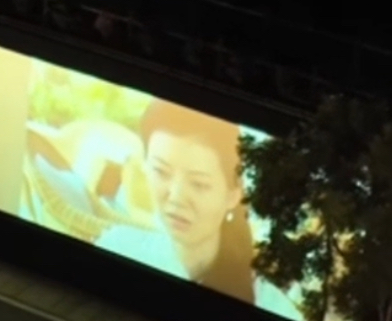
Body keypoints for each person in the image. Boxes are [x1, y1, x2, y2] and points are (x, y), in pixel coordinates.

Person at [99, 101, 266, 306]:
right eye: (161, 172)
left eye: (199, 184)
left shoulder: (269, 302)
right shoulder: (118, 247)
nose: (176, 198)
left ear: (232, 195)